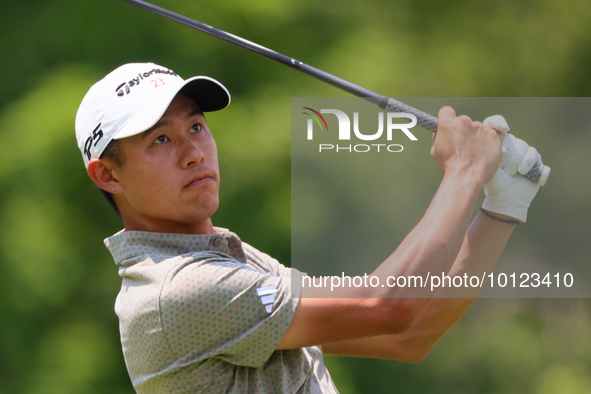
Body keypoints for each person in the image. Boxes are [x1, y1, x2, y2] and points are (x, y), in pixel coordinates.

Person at [75, 62, 545, 393]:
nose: (193, 151)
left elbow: (408, 333)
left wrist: (502, 207)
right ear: (108, 175)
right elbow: (387, 306)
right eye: (160, 138)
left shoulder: (231, 261)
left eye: (196, 126)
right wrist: (463, 172)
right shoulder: (179, 290)